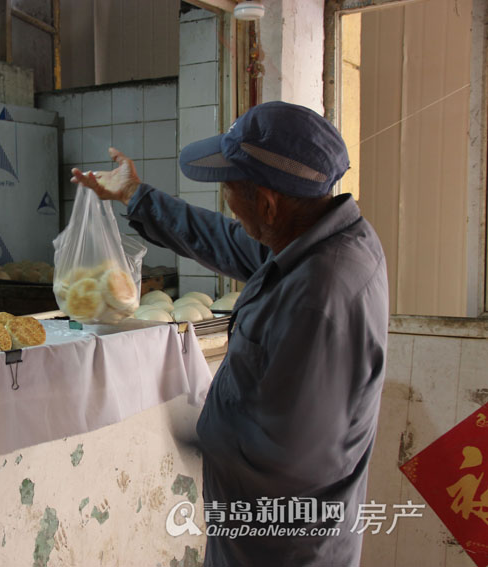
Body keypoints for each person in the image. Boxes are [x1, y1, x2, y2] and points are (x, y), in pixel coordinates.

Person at [72, 101, 388, 566]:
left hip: (285, 547)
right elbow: (224, 239)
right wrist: (135, 196)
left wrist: (196, 424)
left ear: (267, 202)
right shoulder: (313, 238)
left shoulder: (320, 298)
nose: (229, 205)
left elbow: (298, 452)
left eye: (229, 191)